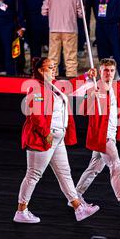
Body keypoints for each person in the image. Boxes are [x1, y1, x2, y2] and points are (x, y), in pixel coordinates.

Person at [14, 58, 100, 223]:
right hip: (43, 138)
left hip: (57, 138)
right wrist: (46, 133)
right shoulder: (35, 87)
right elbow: (36, 114)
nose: (54, 69)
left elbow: (70, 86)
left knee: (64, 173)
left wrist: (87, 76)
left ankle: (78, 208)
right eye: (50, 67)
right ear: (40, 70)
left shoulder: (53, 85)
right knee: (33, 175)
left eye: (54, 66)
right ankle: (21, 211)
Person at [75, 53, 120, 214]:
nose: (109, 73)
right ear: (100, 71)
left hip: (108, 135)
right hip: (102, 137)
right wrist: (90, 97)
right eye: (106, 70)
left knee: (93, 169)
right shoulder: (94, 88)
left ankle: (75, 197)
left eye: (112, 70)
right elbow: (82, 111)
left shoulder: (116, 86)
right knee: (116, 167)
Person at [42, 0, 83, 78]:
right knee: (70, 58)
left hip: (54, 29)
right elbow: (81, 14)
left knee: (53, 58)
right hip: (70, 30)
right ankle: (72, 81)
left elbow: (43, 11)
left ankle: (52, 82)